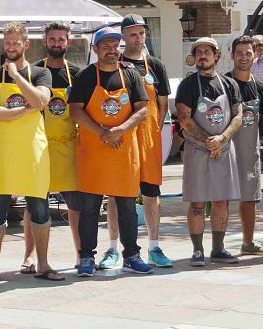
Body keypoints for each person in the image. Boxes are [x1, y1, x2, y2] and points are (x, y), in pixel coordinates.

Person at [0, 22, 62, 284]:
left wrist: (16, 77)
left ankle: (43, 264)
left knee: (40, 211)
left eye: (15, 42)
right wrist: (25, 110)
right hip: (2, 153)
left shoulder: (41, 73)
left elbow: (41, 101)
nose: (10, 47)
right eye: (7, 43)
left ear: (26, 44)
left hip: (33, 152)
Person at [70, 26, 153, 277]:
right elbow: (75, 110)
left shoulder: (131, 75)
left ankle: (132, 256)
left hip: (124, 153)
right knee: (89, 208)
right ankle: (86, 257)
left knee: (127, 207)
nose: (111, 50)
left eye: (115, 46)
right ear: (96, 49)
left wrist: (120, 130)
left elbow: (143, 109)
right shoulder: (86, 76)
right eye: (105, 46)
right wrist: (102, 133)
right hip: (93, 154)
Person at [106, 14, 174, 269]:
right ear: (123, 36)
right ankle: (113, 248)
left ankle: (154, 247)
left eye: (142, 33)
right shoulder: (114, 64)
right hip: (122, 141)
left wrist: (154, 130)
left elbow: (163, 104)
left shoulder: (155, 65)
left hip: (148, 141)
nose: (138, 38)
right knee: (115, 196)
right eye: (133, 34)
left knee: (151, 195)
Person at [175, 37, 243, 267]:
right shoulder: (187, 85)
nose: (202, 55)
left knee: (221, 201)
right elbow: (184, 119)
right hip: (197, 150)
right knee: (197, 203)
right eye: (198, 52)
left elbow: (238, 115)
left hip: (224, 148)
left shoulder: (229, 84)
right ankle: (197, 250)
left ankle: (218, 248)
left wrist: (222, 139)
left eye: (207, 51)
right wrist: (208, 141)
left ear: (217, 56)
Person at [23, 22, 82, 273]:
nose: (56, 43)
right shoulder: (34, 72)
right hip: (40, 147)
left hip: (69, 149)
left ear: (69, 42)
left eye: (61, 39)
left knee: (76, 205)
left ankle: (81, 254)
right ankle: (29, 256)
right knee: (33, 205)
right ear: (44, 41)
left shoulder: (78, 74)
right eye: (52, 39)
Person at [227, 36, 263, 256]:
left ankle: (248, 243)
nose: (244, 57)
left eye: (248, 53)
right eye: (239, 53)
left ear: (255, 55)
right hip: (226, 149)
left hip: (249, 149)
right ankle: (218, 245)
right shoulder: (224, 83)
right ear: (232, 55)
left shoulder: (259, 87)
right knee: (221, 199)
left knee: (250, 198)